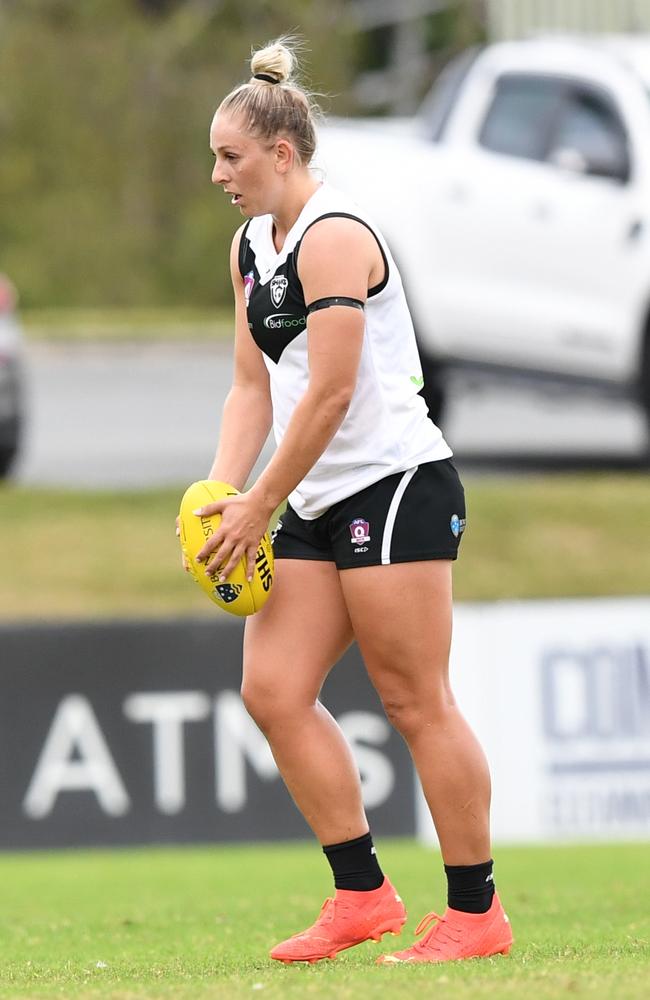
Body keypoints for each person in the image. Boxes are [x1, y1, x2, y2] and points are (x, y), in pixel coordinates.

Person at [192, 37, 514, 966]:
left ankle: (475, 914)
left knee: (415, 700)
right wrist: (222, 492)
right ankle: (362, 896)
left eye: (231, 157)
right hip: (314, 493)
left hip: (395, 484)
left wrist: (260, 503)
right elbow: (253, 387)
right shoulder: (252, 245)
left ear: (283, 154)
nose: (220, 175)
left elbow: (332, 396)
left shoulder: (336, 235)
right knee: (274, 689)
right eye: (216, 157)